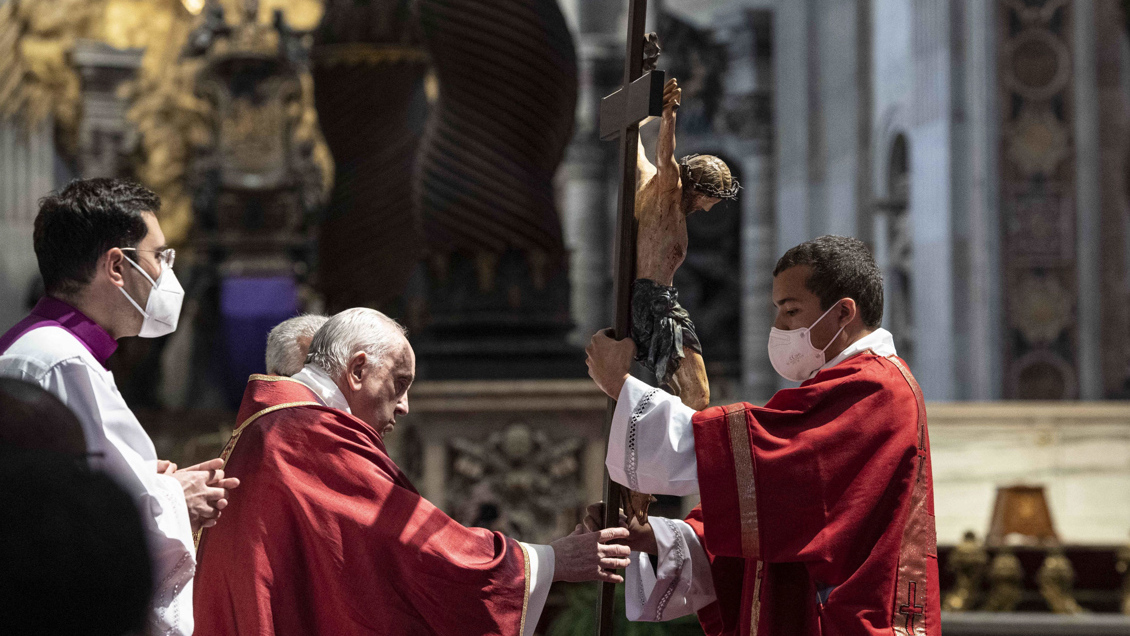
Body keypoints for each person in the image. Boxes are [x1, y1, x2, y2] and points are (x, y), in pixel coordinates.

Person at [194, 308, 632, 636]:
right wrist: (551, 561)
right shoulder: (306, 433)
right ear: (358, 369)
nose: (403, 406)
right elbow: (411, 548)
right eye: (399, 383)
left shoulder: (277, 425)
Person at [583, 235, 940, 636]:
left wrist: (625, 388)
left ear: (843, 313)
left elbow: (754, 460)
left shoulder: (875, 388)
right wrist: (650, 538)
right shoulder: (841, 386)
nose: (778, 327)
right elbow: (779, 514)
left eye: (790, 311)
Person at [0, 178, 239, 636]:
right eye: (160, 257)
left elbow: (75, 481)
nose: (169, 273)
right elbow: (74, 520)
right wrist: (177, 498)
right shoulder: (59, 360)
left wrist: (153, 481)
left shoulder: (48, 348)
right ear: (116, 266)